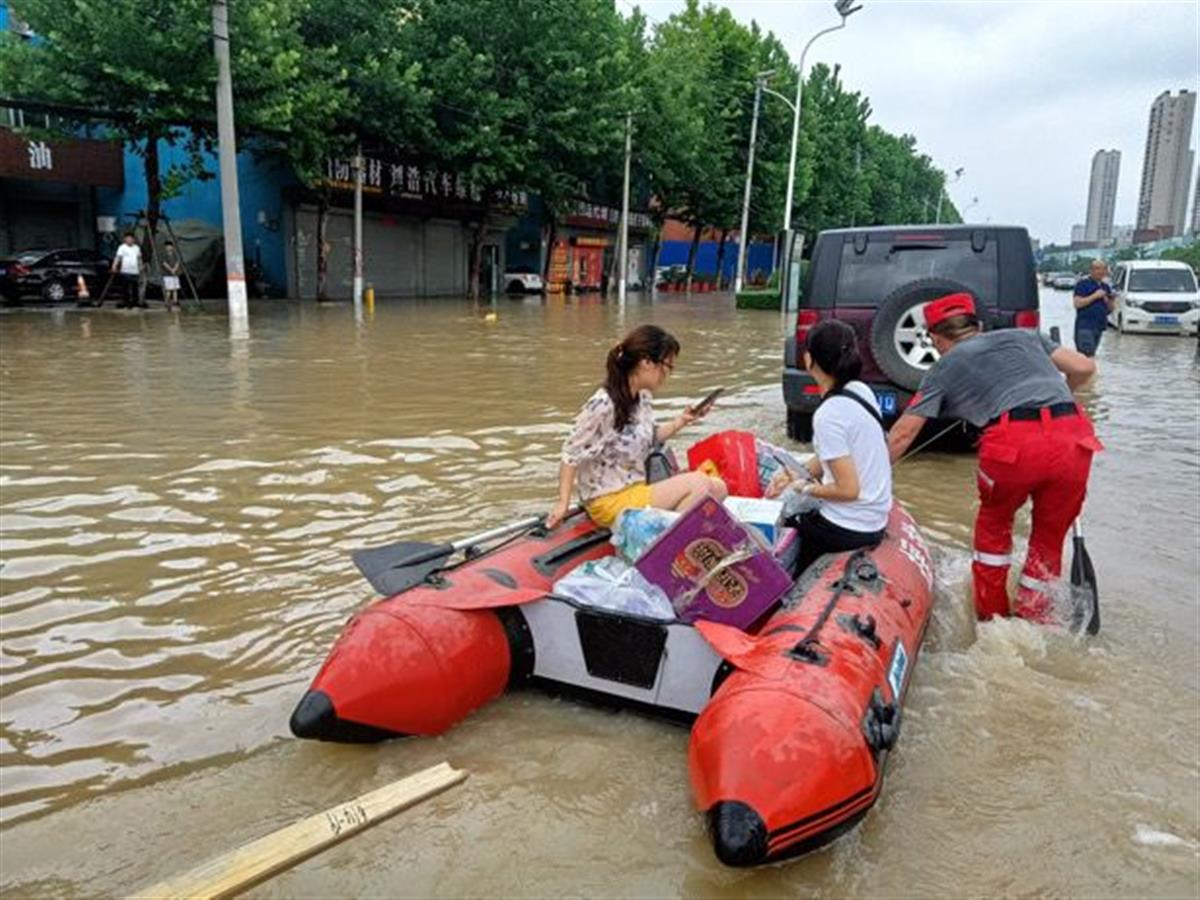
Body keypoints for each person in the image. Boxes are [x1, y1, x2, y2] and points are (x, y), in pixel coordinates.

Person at [886, 293, 1102, 623]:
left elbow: (903, 434)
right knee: (1048, 539)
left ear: (935, 337)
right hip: (1074, 437)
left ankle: (992, 621)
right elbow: (1085, 367)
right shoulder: (1026, 336)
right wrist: (1064, 395)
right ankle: (1036, 619)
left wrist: (866, 477)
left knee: (994, 529)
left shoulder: (945, 366)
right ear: (979, 325)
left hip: (1013, 445)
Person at [546, 324, 727, 529]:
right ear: (646, 362)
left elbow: (650, 438)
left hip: (636, 489)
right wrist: (563, 503)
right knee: (698, 483)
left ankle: (672, 536)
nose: (668, 375)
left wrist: (682, 420)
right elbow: (571, 454)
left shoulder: (642, 397)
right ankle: (663, 547)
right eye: (668, 367)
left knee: (719, 488)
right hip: (608, 500)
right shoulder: (604, 404)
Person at [772, 320, 893, 578]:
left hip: (848, 528)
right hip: (875, 518)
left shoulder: (829, 414)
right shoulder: (860, 391)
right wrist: (800, 472)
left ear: (808, 359)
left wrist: (805, 488)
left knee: (782, 524)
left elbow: (848, 490)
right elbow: (834, 455)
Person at [1072, 259, 1114, 357]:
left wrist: (1110, 301)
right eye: (1097, 269)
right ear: (1091, 270)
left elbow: (1110, 310)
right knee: (1086, 356)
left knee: (1092, 355)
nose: (1100, 271)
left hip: (1099, 327)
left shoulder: (1106, 287)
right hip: (1085, 327)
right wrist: (1095, 296)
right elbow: (1077, 304)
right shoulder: (1082, 284)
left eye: (1103, 269)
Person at [111, 232, 145, 309]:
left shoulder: (137, 248)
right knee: (125, 288)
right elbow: (118, 257)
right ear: (125, 239)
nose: (129, 240)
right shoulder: (122, 247)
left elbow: (139, 259)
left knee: (134, 288)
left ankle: (135, 304)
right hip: (125, 271)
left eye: (131, 239)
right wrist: (114, 266)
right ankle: (126, 304)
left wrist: (141, 267)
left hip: (135, 271)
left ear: (133, 239)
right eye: (128, 238)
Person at [161, 239, 182, 310]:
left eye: (170, 246)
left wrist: (175, 269)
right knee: (168, 290)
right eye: (167, 246)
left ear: (172, 247)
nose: (169, 248)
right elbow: (164, 263)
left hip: (175, 274)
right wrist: (171, 269)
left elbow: (178, 262)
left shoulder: (175, 254)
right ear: (165, 247)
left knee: (175, 288)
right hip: (167, 275)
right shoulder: (164, 254)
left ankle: (175, 301)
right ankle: (167, 302)